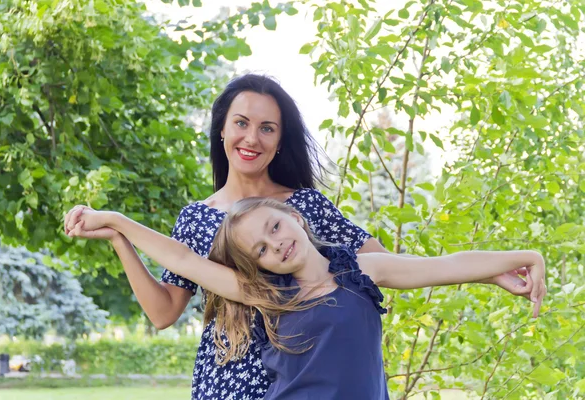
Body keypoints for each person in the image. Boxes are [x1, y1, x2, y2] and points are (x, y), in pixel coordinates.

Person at [64, 74, 537, 400]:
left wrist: (491, 270)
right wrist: (118, 233)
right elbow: (169, 297)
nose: (252, 137)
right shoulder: (201, 224)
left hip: (309, 374)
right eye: (242, 123)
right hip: (224, 382)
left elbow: (392, 267)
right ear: (223, 129)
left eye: (267, 127)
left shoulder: (304, 210)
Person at [64, 198, 546, 399]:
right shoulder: (265, 294)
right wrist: (116, 224)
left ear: (292, 215)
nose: (276, 244)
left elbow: (444, 265)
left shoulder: (362, 271)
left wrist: (516, 258)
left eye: (275, 227)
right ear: (259, 266)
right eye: (261, 250)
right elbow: (186, 261)